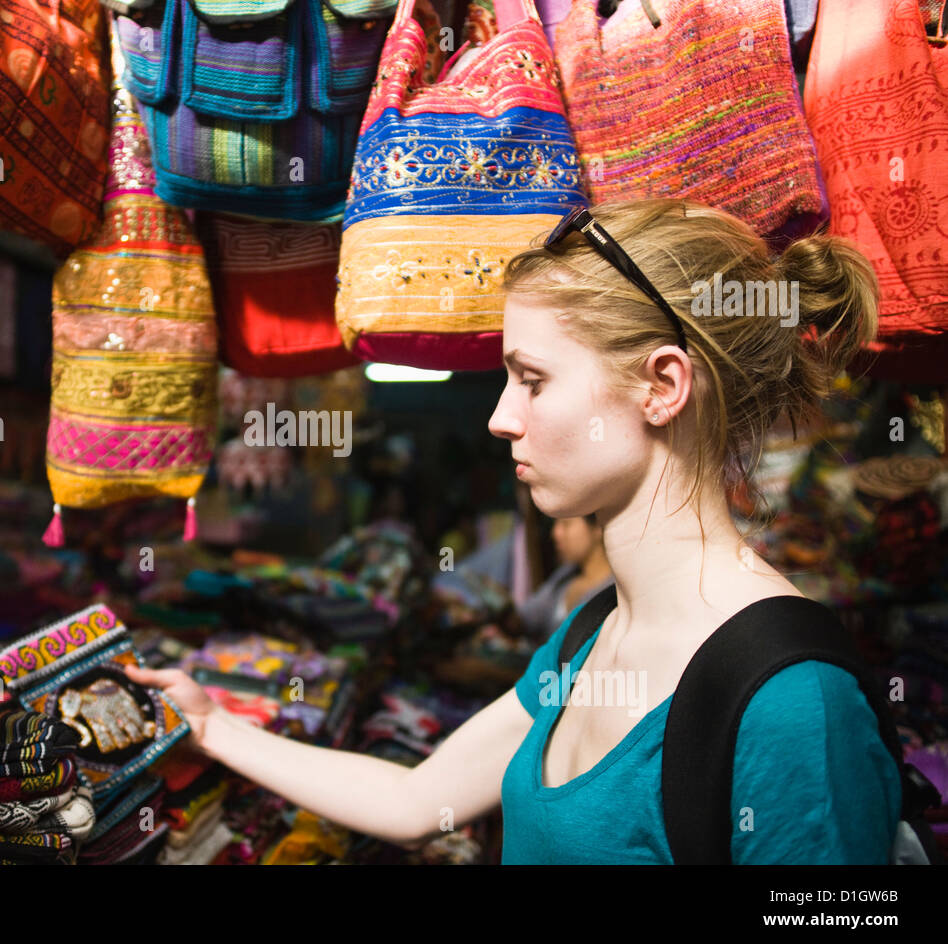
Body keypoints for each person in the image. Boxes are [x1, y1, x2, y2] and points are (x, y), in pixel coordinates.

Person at [126, 199, 902, 864]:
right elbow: (418, 798)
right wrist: (212, 726)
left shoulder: (796, 703)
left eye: (533, 380)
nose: (500, 418)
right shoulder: (592, 632)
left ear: (662, 387)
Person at [515, 514, 614, 645]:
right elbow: (526, 618)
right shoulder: (565, 576)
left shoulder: (615, 590)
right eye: (555, 524)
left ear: (597, 528)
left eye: (566, 524)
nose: (556, 533)